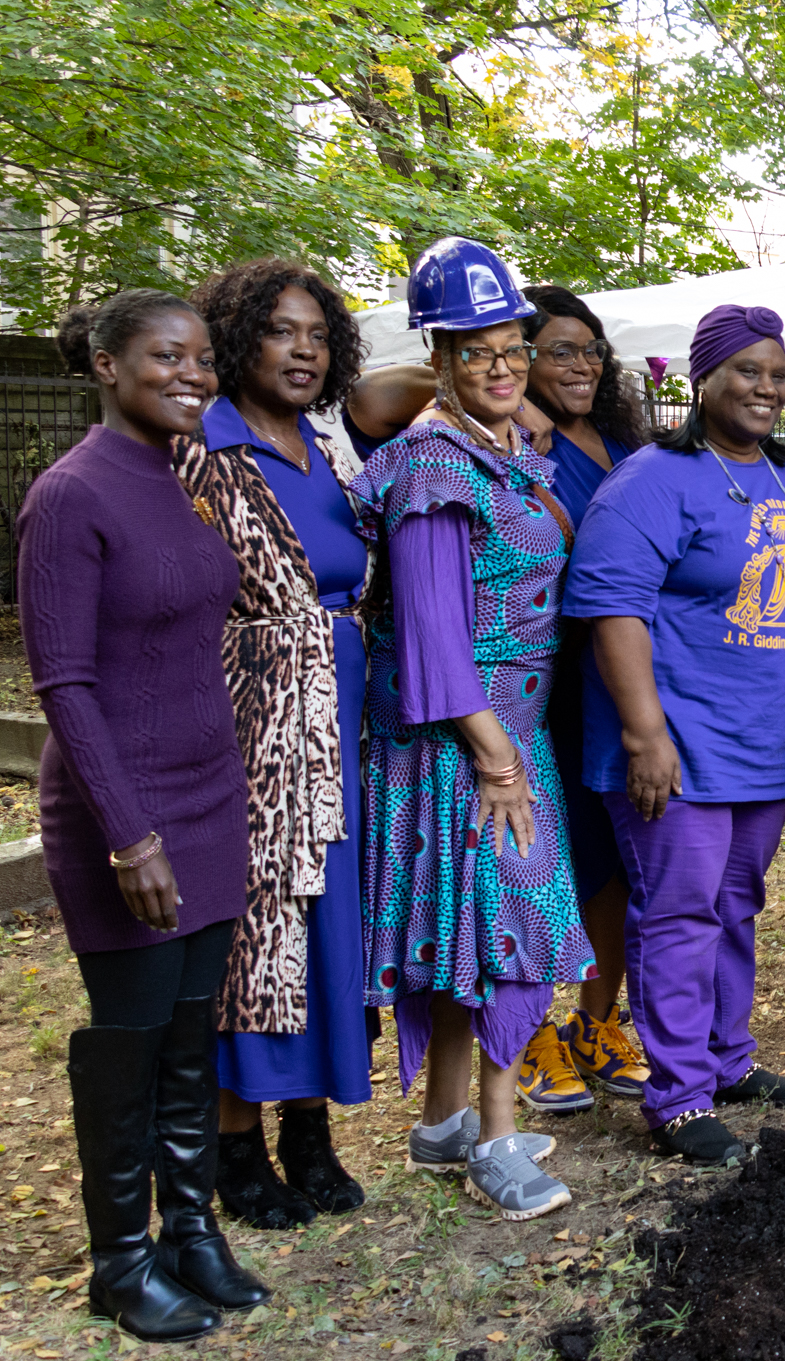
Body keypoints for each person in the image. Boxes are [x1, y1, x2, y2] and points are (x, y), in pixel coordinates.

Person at [27, 290, 267, 1340]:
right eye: (166, 356)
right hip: (122, 809)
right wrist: (130, 831)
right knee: (129, 1040)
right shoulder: (70, 494)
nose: (191, 373)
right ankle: (121, 1258)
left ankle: (192, 1229)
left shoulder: (182, 480)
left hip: (210, 797)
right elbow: (65, 680)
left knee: (187, 1033)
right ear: (107, 366)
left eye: (203, 358)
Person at [347, 237, 590, 1221]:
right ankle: (495, 1140)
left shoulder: (496, 449)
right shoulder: (430, 469)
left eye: (513, 350)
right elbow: (438, 644)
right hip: (467, 741)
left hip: (507, 731)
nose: (502, 368)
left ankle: (445, 1119)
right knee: (507, 935)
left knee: (468, 939)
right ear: (435, 359)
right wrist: (497, 762)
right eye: (475, 351)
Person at [564, 303, 785, 1162]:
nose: (766, 386)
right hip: (674, 749)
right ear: (702, 377)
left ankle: (725, 1059)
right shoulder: (649, 480)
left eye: (777, 373)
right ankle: (676, 1095)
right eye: (746, 369)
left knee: (737, 907)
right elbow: (612, 608)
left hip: (760, 751)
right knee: (677, 914)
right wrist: (646, 735)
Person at [173, 262, 373, 1231]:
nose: (303, 350)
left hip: (340, 721)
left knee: (327, 929)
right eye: (281, 331)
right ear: (238, 338)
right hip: (254, 735)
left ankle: (309, 1133)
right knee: (260, 938)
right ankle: (235, 1145)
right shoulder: (202, 452)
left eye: (318, 334)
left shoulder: (328, 448)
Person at [511, 284, 654, 1117]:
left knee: (613, 862)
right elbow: (370, 397)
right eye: (559, 349)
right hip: (538, 678)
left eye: (591, 350)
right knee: (538, 861)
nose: (583, 365)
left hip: (614, 677)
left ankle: (594, 1025)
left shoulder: (619, 441)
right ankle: (528, 1037)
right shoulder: (496, 440)